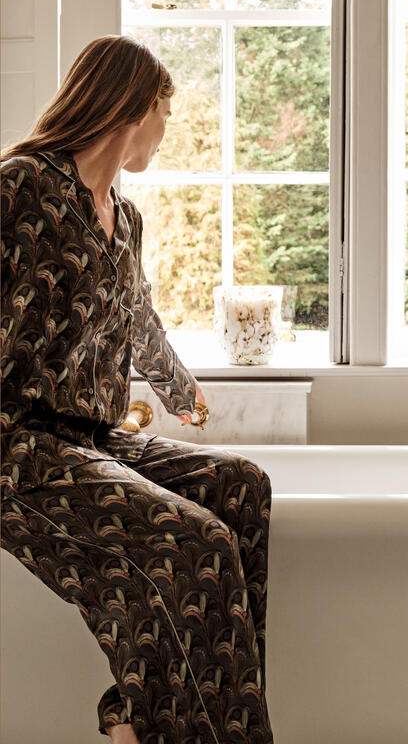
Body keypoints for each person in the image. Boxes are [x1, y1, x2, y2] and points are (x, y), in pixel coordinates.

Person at [1, 36, 273, 744]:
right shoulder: (21, 186)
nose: (166, 127)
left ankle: (140, 720)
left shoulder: (125, 217)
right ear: (129, 106)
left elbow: (137, 317)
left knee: (241, 488)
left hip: (86, 437)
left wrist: (178, 387)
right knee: (198, 543)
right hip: (15, 442)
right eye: (164, 110)